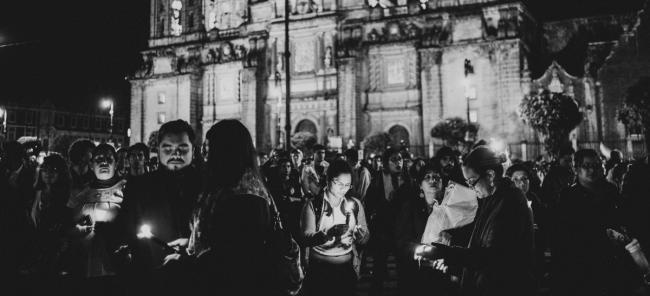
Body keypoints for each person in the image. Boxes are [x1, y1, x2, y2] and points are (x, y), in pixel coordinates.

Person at [173, 119, 286, 295]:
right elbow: (220, 238)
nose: (204, 157)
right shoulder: (227, 186)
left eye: (209, 150)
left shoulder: (246, 197)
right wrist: (193, 242)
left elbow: (235, 262)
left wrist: (186, 263)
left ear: (226, 153)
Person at [422, 146, 536, 296]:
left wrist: (448, 254)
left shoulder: (511, 201)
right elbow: (478, 237)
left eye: (472, 181)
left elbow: (494, 257)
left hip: (504, 287)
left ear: (490, 175)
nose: (470, 187)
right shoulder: (491, 198)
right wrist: (451, 241)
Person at [121, 120, 202, 289]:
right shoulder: (139, 186)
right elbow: (127, 231)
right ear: (158, 150)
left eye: (182, 148)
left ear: (193, 150)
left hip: (197, 278)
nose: (176, 154)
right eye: (168, 148)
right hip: (152, 279)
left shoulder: (207, 185)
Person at [551, 149, 637, 296]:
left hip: (611, 261)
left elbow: (621, 220)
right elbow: (561, 234)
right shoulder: (568, 196)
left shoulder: (611, 190)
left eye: (596, 165)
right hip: (581, 262)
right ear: (577, 168)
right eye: (587, 165)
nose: (592, 170)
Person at [300, 159, 369, 296]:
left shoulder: (355, 205)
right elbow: (306, 237)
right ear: (328, 180)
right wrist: (325, 235)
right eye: (338, 183)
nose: (343, 189)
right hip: (319, 270)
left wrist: (362, 236)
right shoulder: (314, 205)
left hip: (346, 269)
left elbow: (366, 236)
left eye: (347, 185)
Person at [66, 143, 126, 294]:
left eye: (108, 158)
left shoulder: (127, 191)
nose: (104, 162)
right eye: (99, 159)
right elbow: (67, 225)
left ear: (116, 163)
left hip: (115, 263)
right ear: (91, 165)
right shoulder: (80, 194)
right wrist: (75, 229)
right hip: (84, 262)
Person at [395, 163, 451, 295]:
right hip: (416, 272)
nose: (433, 180)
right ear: (420, 185)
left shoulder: (450, 209)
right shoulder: (410, 208)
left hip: (442, 270)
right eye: (427, 177)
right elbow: (401, 240)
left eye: (437, 177)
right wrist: (420, 250)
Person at [365, 147, 415, 295]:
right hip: (383, 231)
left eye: (400, 159)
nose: (398, 162)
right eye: (393, 160)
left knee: (404, 269)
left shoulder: (408, 180)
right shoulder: (378, 180)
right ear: (386, 162)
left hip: (403, 232)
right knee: (379, 268)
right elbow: (369, 203)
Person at [505, 163, 548, 284]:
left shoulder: (535, 199)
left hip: (534, 253)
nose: (522, 183)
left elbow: (544, 225)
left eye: (524, 179)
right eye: (516, 179)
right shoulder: (505, 201)